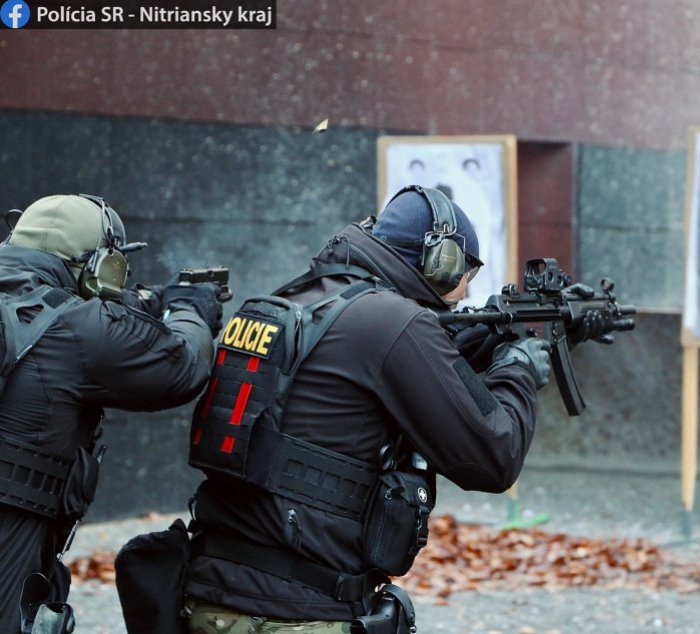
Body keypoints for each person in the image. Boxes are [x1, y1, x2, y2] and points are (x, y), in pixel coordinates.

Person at [174, 186, 552, 633]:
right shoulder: (394, 321)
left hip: (211, 597)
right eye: (464, 270)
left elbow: (362, 390)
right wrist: (519, 370)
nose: (465, 288)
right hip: (292, 614)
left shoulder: (297, 300)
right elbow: (493, 457)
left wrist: (476, 345)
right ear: (440, 261)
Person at [0, 194, 223, 633]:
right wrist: (188, 309)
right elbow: (180, 366)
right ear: (100, 264)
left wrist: (147, 302)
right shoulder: (77, 327)